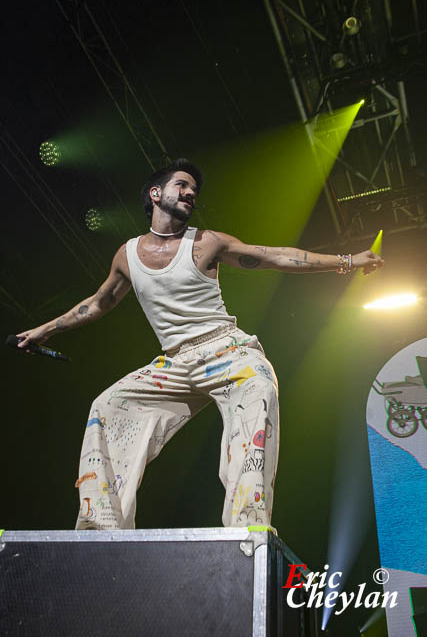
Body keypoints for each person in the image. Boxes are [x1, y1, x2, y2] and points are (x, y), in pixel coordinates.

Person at [17, 158, 384, 530]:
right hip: (174, 363)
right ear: (156, 194)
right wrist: (44, 330)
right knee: (108, 405)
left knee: (259, 391)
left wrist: (348, 260)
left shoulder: (207, 243)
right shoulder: (127, 256)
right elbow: (97, 303)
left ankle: (247, 527)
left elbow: (272, 256)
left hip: (227, 352)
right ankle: (101, 526)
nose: (190, 192)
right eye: (182, 185)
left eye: (193, 188)